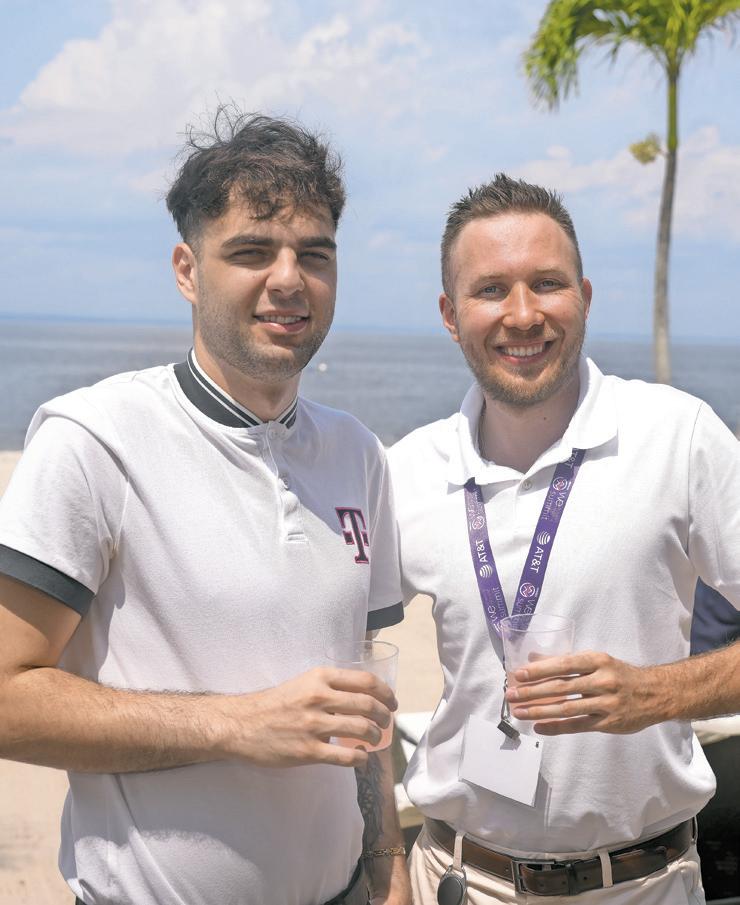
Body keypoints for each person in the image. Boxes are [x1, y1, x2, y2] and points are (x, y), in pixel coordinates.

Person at [0, 109, 411, 905]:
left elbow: (364, 700)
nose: (288, 279)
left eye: (314, 254)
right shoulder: (95, 439)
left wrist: (388, 864)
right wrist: (236, 723)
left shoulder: (358, 454)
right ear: (187, 270)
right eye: (252, 251)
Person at [388, 173, 740, 904]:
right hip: (456, 881)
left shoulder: (678, 437)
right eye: (491, 290)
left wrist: (656, 692)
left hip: (643, 885)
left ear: (584, 295)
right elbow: (336, 669)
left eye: (547, 283)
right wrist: (384, 869)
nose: (523, 315)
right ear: (450, 315)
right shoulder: (407, 470)